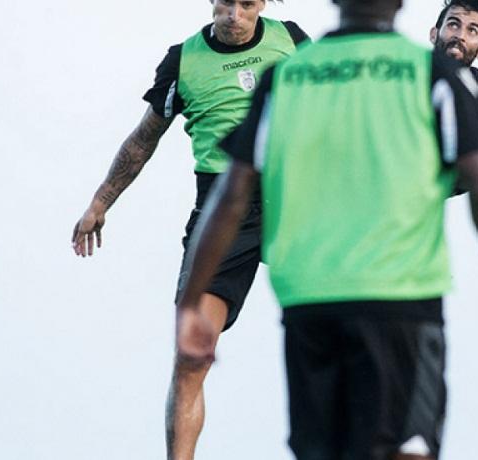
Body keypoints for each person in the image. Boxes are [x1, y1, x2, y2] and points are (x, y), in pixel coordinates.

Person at [175, 0, 478, 458]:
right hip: (400, 297)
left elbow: (230, 197)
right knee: (408, 449)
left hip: (311, 299)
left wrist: (192, 303)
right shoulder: (432, 74)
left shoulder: (288, 77)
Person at [70, 1, 308, 458]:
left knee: (342, 331)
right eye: (226, 2)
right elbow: (145, 138)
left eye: (247, 4)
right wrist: (100, 202)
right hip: (224, 209)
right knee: (190, 355)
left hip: (295, 199)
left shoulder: (292, 40)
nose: (234, 14)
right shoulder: (184, 60)